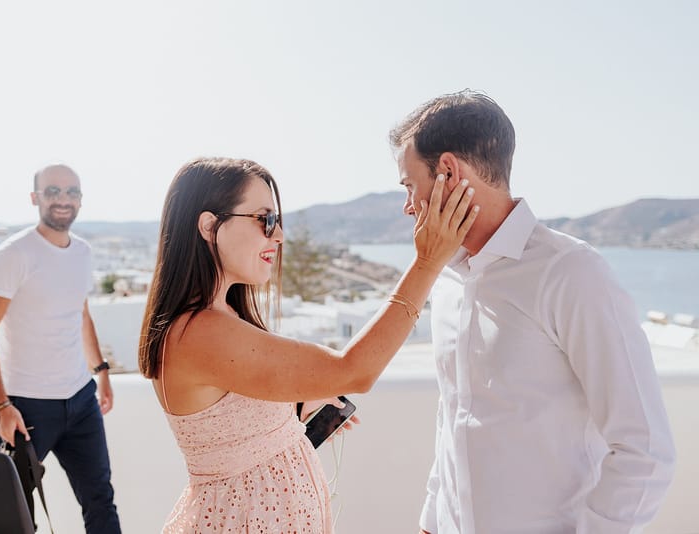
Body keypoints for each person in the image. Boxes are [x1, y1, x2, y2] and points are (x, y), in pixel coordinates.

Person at [138, 156, 478, 533]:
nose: (279, 235)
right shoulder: (201, 331)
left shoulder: (215, 324)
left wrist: (290, 412)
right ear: (209, 225)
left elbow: (230, 438)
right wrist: (427, 262)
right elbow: (353, 371)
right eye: (265, 220)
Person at [388, 90, 676, 534]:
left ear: (448, 172)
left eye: (411, 186)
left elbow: (646, 448)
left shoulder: (572, 273)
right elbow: (454, 415)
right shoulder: (446, 281)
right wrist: (433, 519)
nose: (408, 206)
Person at [0, 164, 122, 534]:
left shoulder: (82, 252)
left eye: (71, 192)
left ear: (81, 201)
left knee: (100, 501)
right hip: (26, 409)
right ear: (35, 198)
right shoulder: (13, 255)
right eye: (52, 191)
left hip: (81, 401)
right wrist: (2, 406)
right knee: (14, 517)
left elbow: (80, 312)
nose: (63, 199)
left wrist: (100, 371)